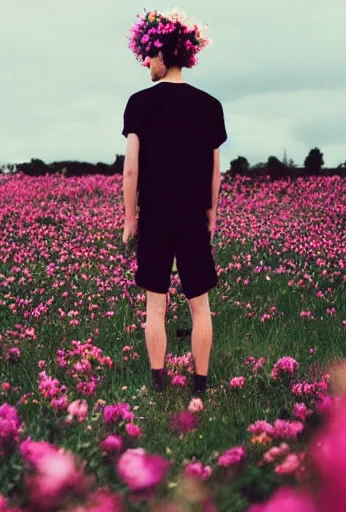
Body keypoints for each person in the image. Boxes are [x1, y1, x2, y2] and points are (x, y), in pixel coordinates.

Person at [121, 9, 227, 398]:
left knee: (156, 307)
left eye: (148, 54)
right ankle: (200, 388)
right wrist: (211, 215)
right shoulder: (210, 106)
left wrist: (130, 220)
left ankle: (158, 384)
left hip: (155, 218)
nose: (145, 61)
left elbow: (130, 172)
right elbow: (214, 171)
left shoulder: (139, 104)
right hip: (192, 218)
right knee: (200, 306)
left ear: (163, 53)